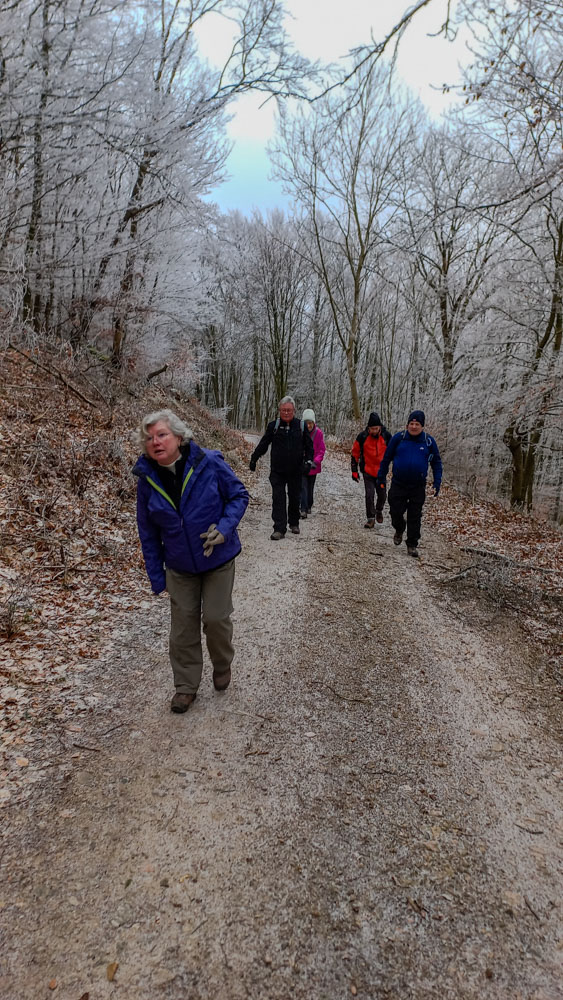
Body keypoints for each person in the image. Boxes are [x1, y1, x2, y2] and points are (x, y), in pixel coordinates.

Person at [133, 409, 249, 713]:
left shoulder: (208, 462)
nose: (155, 442)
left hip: (217, 558)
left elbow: (239, 496)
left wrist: (224, 529)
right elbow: (147, 532)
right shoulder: (147, 479)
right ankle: (185, 686)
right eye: (149, 438)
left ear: (179, 437)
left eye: (161, 435)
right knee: (182, 628)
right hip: (179, 566)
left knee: (216, 618)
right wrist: (157, 576)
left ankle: (222, 663)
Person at [376, 409, 442, 558]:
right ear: (407, 425)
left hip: (417, 486)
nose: (413, 426)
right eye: (411, 423)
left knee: (415, 515)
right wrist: (381, 476)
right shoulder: (398, 438)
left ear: (422, 426)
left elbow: (436, 463)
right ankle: (399, 528)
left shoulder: (428, 442)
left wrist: (437, 481)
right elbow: (386, 458)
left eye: (417, 424)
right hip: (398, 483)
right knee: (395, 511)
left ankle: (412, 544)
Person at [249, 395, 313, 540]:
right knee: (278, 498)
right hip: (277, 470)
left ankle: (294, 522)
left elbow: (309, 447)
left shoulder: (301, 426)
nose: (286, 413)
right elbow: (264, 444)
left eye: (289, 410)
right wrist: (254, 458)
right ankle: (279, 528)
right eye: (283, 410)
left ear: (294, 411)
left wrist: (308, 462)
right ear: (279, 411)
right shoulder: (274, 426)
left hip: (296, 470)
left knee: (295, 497)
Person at [350, 411, 391, 528]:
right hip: (367, 471)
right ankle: (371, 518)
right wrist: (354, 471)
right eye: (372, 429)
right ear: (368, 428)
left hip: (381, 472)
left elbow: (394, 452)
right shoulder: (362, 437)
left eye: (376, 428)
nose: (374, 431)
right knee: (369, 494)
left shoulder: (387, 436)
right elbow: (355, 453)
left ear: (380, 427)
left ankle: (379, 510)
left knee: (382, 495)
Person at [300, 408, 326, 518]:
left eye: (310, 423)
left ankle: (309, 505)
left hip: (313, 466)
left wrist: (316, 461)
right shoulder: (300, 432)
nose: (308, 425)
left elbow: (321, 450)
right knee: (303, 487)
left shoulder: (318, 433)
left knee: (310, 488)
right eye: (306, 423)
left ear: (313, 423)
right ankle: (303, 509)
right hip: (302, 464)